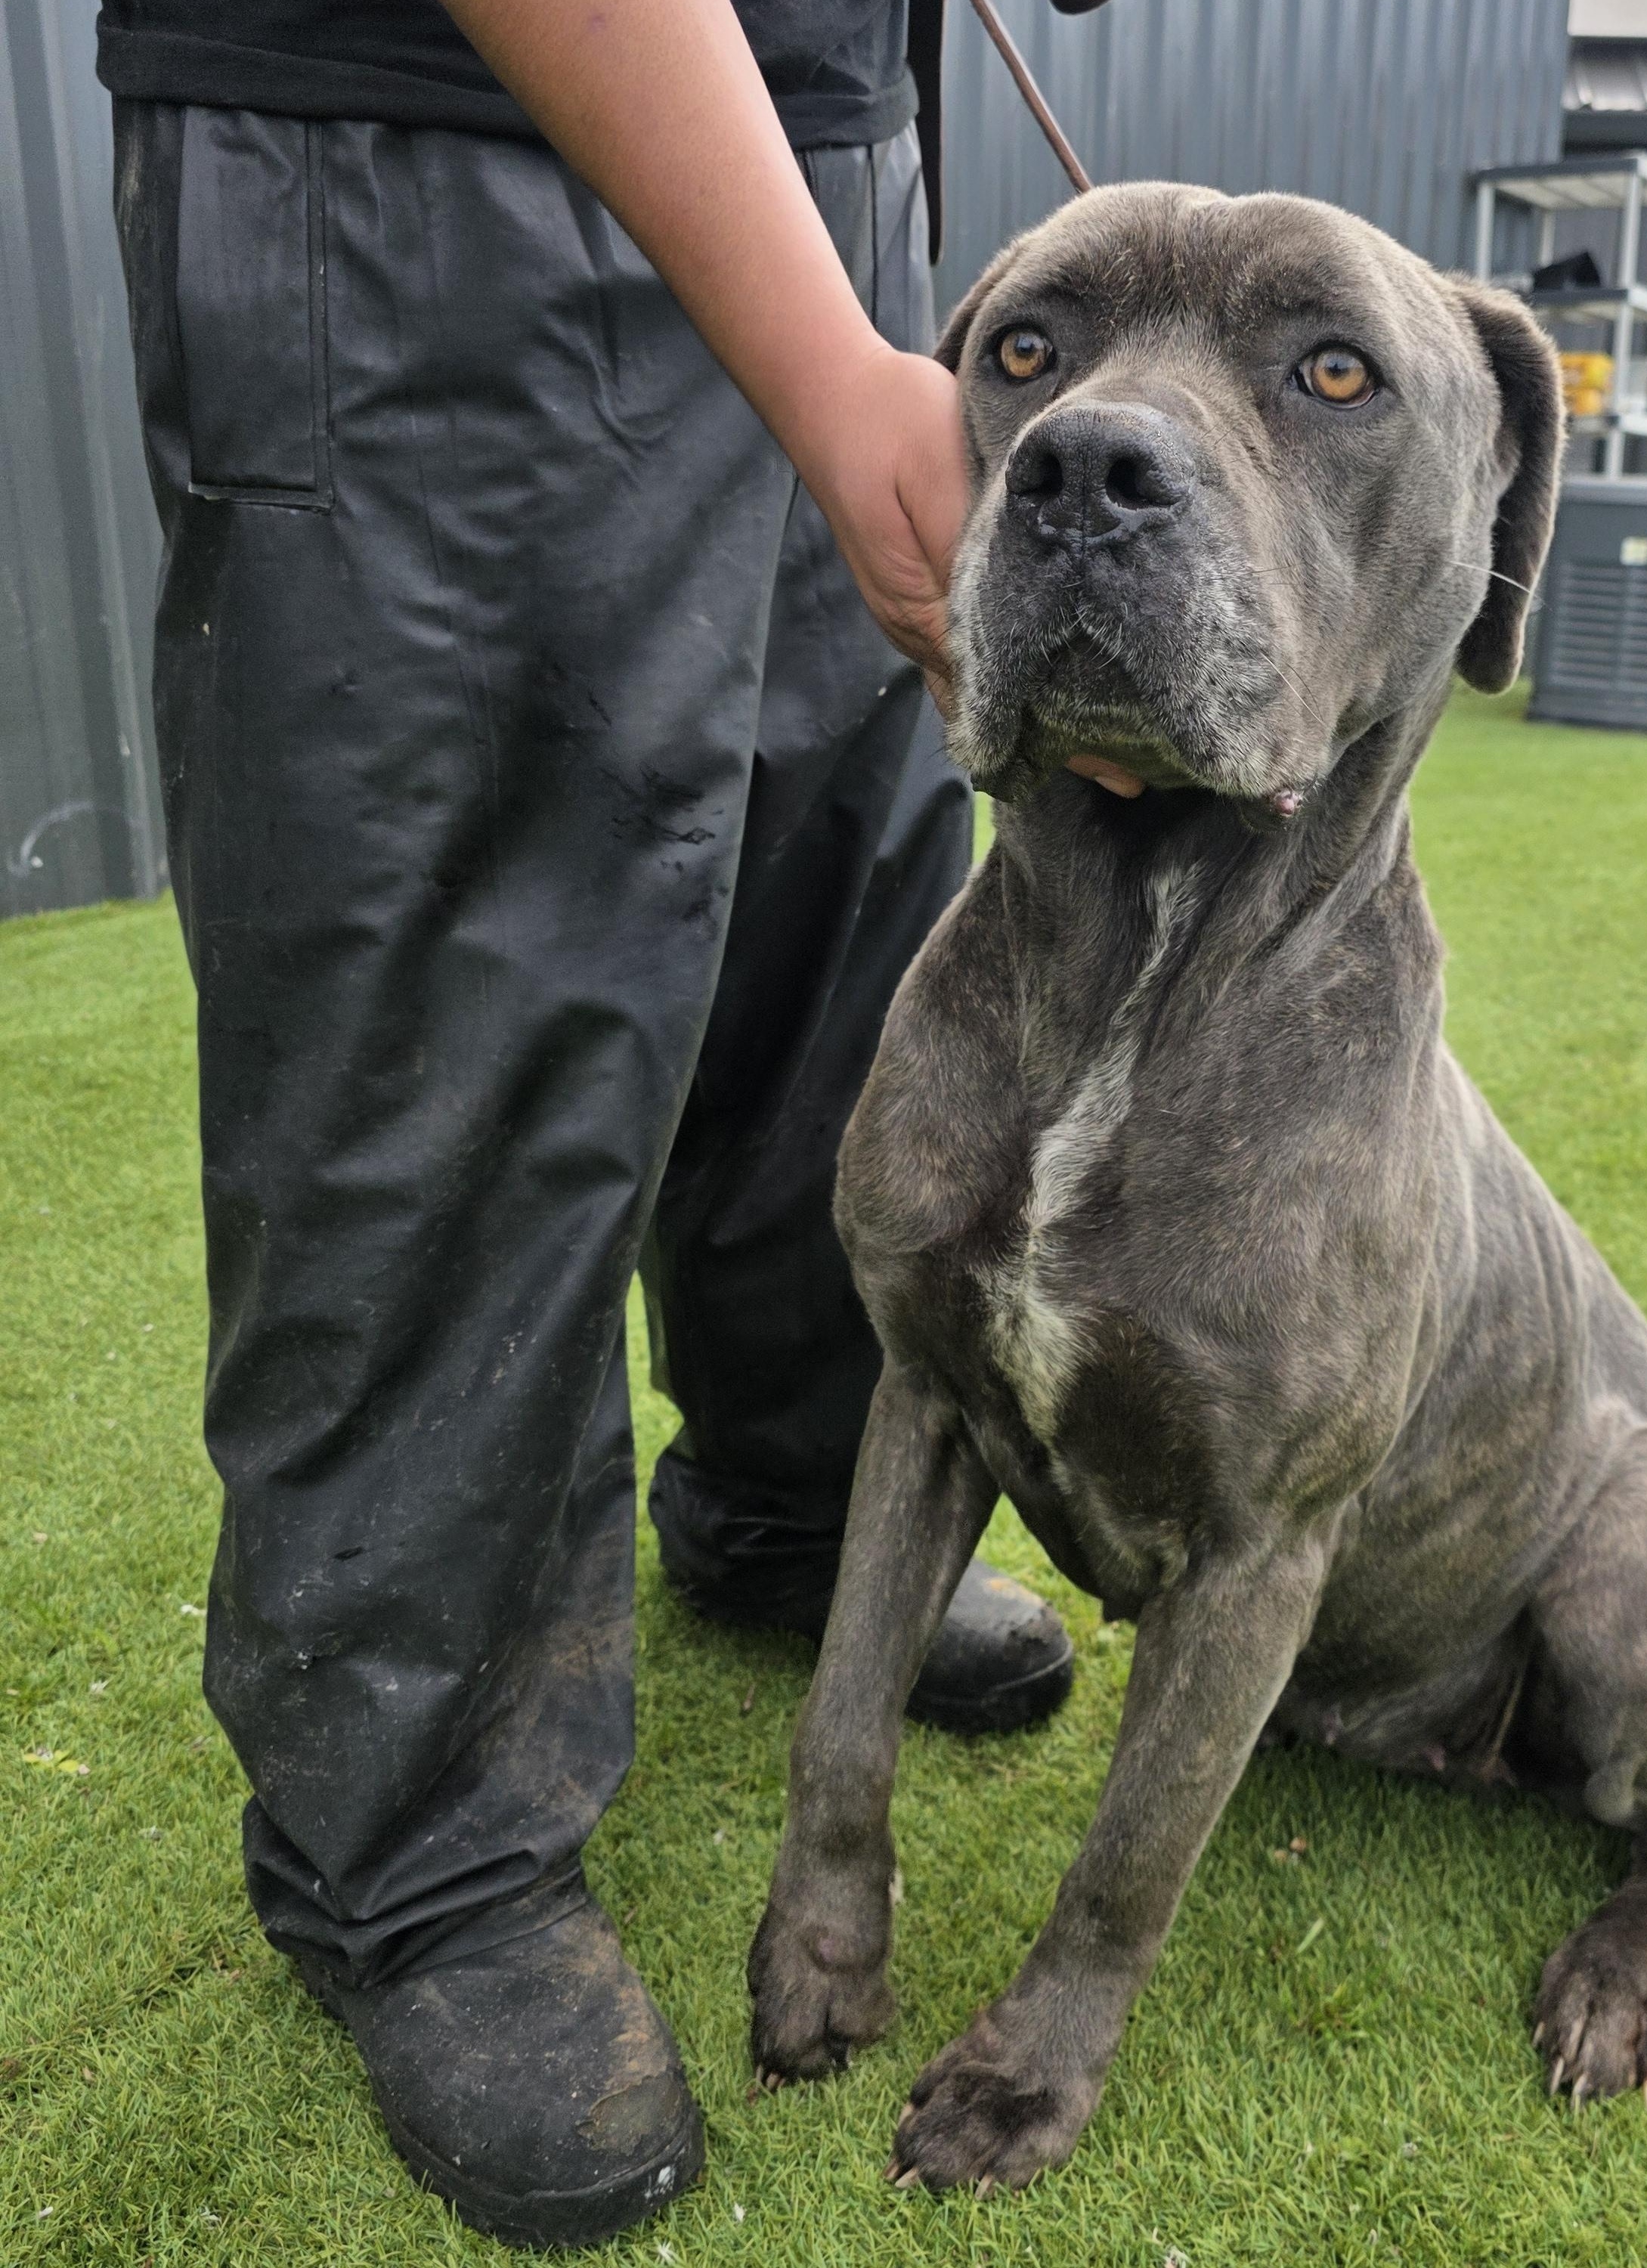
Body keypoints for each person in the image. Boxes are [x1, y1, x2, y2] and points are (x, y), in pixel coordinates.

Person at [95, 0, 1106, 2246]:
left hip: (821, 151)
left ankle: (779, 1512)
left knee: (824, 933)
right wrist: (841, 371)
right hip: (424, 161)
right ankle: (413, 1825)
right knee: (467, 972)